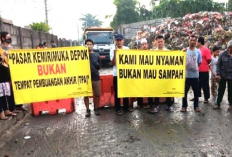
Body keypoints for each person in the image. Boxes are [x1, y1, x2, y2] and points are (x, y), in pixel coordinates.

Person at [1, 31, 27, 112]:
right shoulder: (2, 48)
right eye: (7, 37)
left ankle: (19, 105)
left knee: (17, 88)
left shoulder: (11, 47)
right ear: (3, 38)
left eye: (10, 37)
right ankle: (12, 107)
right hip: (5, 70)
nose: (9, 38)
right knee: (9, 90)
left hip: (14, 70)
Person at [110, 34, 133, 115]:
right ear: (115, 41)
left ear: (123, 40)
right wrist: (115, 54)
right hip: (116, 74)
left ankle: (126, 107)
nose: (119, 42)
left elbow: (131, 61)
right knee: (117, 92)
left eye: (120, 40)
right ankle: (118, 109)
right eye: (117, 40)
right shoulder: (112, 49)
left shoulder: (127, 49)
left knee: (126, 91)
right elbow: (113, 63)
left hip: (125, 73)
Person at [150, 35, 174, 113]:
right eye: (158, 42)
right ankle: (156, 106)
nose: (160, 43)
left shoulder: (168, 51)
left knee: (167, 90)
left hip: (166, 74)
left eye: (161, 41)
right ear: (156, 42)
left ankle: (169, 106)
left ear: (164, 42)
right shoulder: (153, 52)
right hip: (156, 75)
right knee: (156, 91)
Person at [181, 35, 202, 112]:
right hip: (186, 76)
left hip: (195, 75)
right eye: (191, 40)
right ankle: (184, 106)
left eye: (194, 40)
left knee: (196, 92)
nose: (192, 42)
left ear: (196, 42)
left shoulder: (198, 51)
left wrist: (194, 68)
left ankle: (196, 106)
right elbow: (180, 60)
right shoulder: (185, 50)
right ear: (188, 41)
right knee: (184, 92)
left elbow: (199, 62)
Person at [84, 39, 101, 117]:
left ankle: (96, 108)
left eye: (90, 44)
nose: (89, 45)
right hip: (86, 78)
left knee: (97, 94)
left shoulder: (97, 55)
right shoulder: (82, 55)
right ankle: (87, 109)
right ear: (85, 45)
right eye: (87, 44)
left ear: (93, 45)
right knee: (86, 95)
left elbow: (99, 66)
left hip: (96, 77)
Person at [213, 40, 232, 111]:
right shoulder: (222, 54)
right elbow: (218, 65)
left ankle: (231, 104)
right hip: (222, 75)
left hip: (231, 76)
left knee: (231, 90)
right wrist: (218, 74)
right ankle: (217, 103)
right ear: (229, 47)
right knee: (220, 90)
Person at [136, 38, 154, 109]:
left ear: (147, 45)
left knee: (149, 89)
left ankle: (150, 103)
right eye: (142, 44)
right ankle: (139, 103)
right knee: (140, 89)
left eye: (145, 44)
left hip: (149, 74)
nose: (144, 46)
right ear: (141, 46)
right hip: (140, 74)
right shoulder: (138, 54)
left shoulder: (151, 53)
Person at [193, 37, 211, 103]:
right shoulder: (197, 50)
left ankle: (206, 98)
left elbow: (209, 59)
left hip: (204, 70)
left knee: (205, 85)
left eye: (197, 41)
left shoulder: (206, 50)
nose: (196, 43)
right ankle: (196, 96)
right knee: (197, 84)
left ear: (200, 42)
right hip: (197, 70)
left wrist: (204, 64)